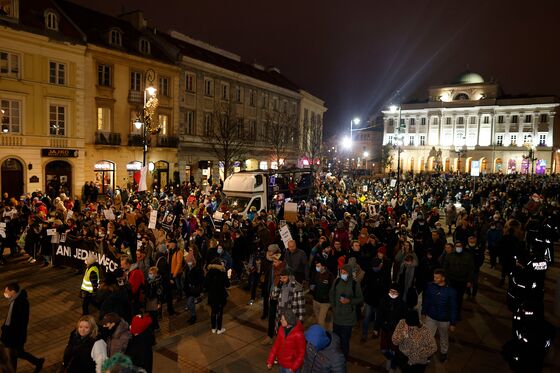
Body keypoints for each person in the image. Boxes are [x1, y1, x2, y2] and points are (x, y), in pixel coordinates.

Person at [1, 282, 45, 372]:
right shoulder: (14, 300)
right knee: (18, 353)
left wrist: (7, 332)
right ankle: (38, 362)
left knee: (15, 353)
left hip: (16, 336)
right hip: (13, 334)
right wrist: (4, 327)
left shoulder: (21, 302)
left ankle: (37, 362)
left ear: (12, 291)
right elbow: (9, 317)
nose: (4, 294)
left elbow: (19, 322)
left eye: (6, 291)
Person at [421, 269, 457, 362]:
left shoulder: (451, 291)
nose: (435, 279)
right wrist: (423, 312)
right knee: (428, 336)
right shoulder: (430, 287)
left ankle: (443, 353)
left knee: (443, 337)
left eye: (437, 277)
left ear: (443, 278)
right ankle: (428, 352)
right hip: (431, 317)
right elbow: (426, 301)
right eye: (434, 277)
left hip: (444, 319)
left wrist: (453, 323)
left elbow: (453, 308)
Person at [329, 264, 363, 359]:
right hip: (337, 317)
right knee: (336, 339)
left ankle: (344, 357)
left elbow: (360, 299)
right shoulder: (336, 281)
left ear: (349, 273)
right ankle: (335, 356)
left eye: (345, 273)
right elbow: (331, 294)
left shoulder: (354, 284)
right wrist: (333, 307)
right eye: (341, 272)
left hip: (348, 318)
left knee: (345, 340)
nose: (342, 274)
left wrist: (350, 301)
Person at [373, 283, 406, 372]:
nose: (392, 293)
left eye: (395, 292)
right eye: (391, 291)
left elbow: (403, 318)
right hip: (385, 328)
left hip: (396, 330)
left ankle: (392, 366)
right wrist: (376, 328)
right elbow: (379, 315)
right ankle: (390, 360)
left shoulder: (402, 304)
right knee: (384, 348)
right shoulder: (384, 301)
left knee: (394, 349)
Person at [443, 241, 474, 320]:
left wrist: (469, 281)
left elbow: (471, 269)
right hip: (451, 280)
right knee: (450, 297)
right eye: (457, 246)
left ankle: (457, 313)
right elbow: (445, 268)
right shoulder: (449, 256)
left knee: (459, 298)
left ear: (462, 247)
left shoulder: (468, 256)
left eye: (460, 246)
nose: (458, 247)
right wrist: (445, 279)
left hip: (462, 281)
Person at [271, 269, 306, 334]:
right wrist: (277, 287)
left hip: (291, 318)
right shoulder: (280, 284)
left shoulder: (297, 288)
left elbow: (301, 307)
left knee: (289, 337)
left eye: (284, 277)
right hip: (281, 315)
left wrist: (300, 322)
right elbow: (273, 296)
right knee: (281, 335)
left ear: (290, 277)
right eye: (281, 278)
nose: (282, 280)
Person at [204, 258, 230, 334]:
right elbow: (228, 285)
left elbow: (205, 285)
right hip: (220, 295)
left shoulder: (209, 273)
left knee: (213, 311)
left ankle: (213, 328)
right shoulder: (222, 272)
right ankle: (219, 329)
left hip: (212, 295)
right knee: (219, 312)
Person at [310, 259, 334, 329]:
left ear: (323, 267)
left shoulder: (330, 276)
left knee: (321, 322)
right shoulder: (316, 273)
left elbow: (332, 290)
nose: (316, 267)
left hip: (325, 302)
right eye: (316, 266)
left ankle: (322, 337)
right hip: (316, 300)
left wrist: (330, 300)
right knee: (318, 320)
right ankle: (322, 332)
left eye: (318, 266)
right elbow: (313, 283)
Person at [144, 267, 164, 331]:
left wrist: (159, 301)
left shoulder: (157, 282)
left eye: (152, 273)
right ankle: (153, 326)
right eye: (149, 273)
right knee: (150, 314)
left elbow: (159, 292)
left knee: (154, 314)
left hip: (154, 299)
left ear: (155, 274)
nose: (150, 275)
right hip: (149, 300)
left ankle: (156, 327)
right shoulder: (147, 281)